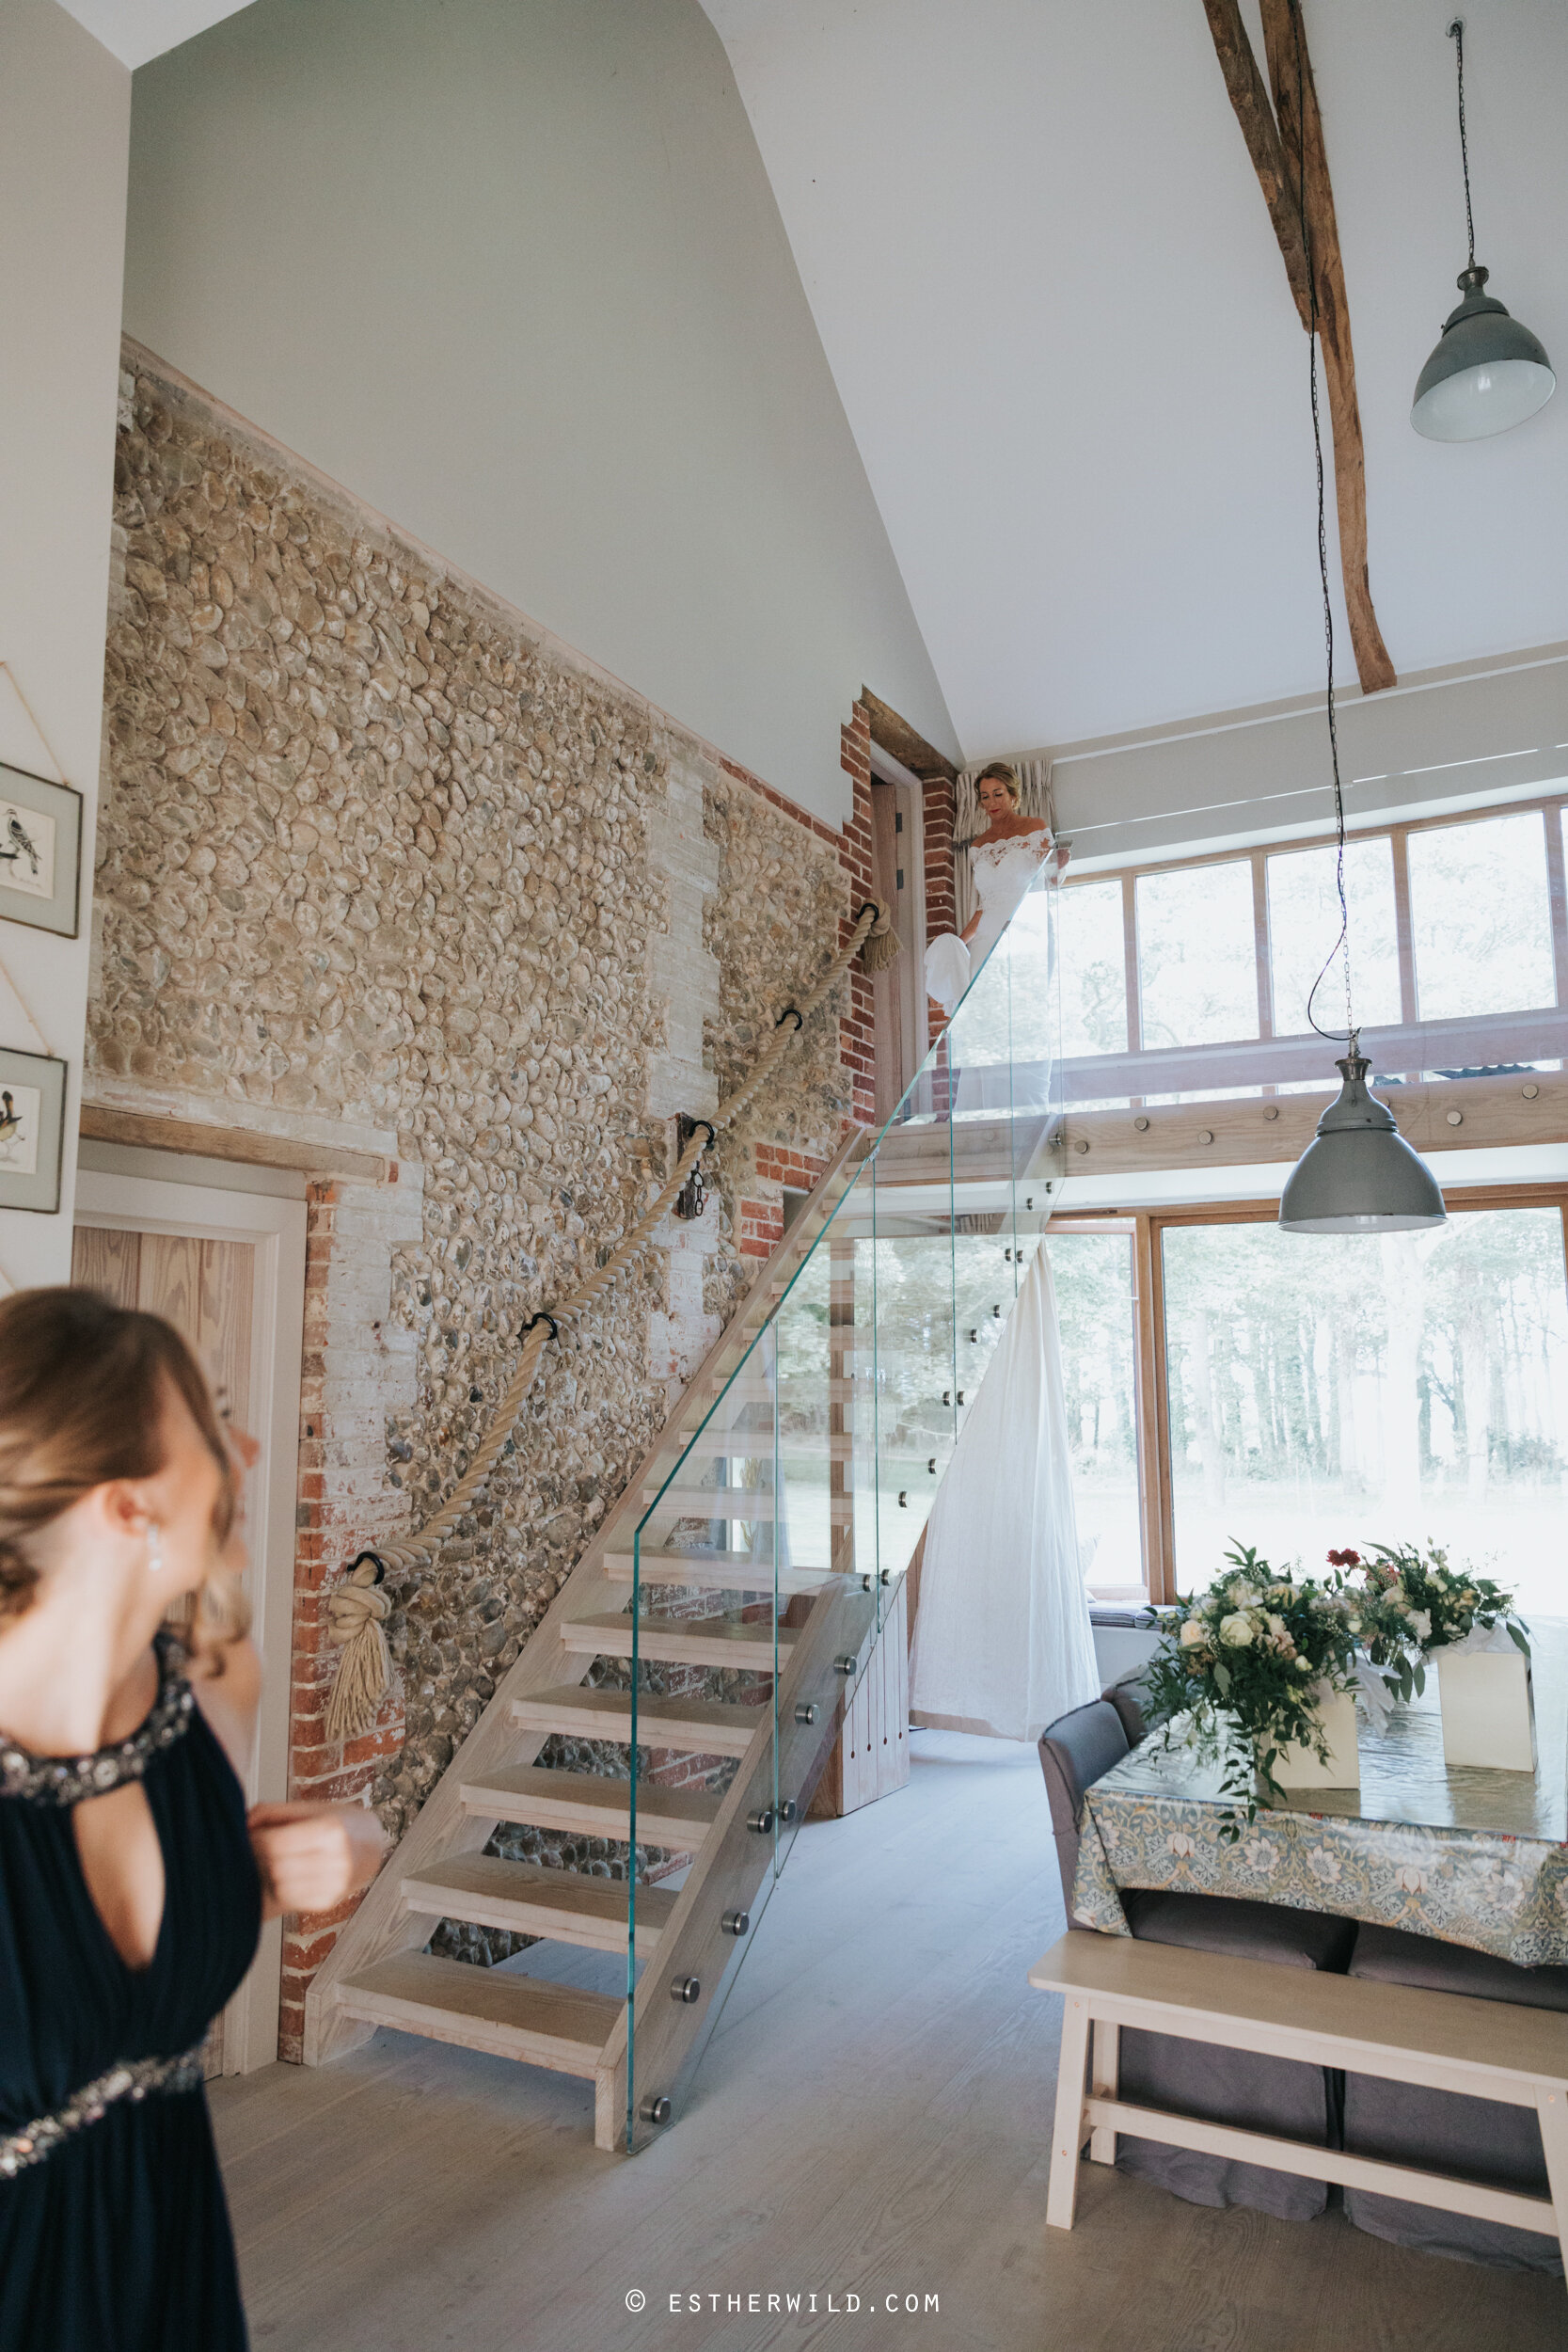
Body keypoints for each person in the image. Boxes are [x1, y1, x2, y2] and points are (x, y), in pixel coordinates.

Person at [0, 1287, 384, 2352]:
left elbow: (113, 1973)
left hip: (174, 2269)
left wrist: (329, 1852)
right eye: (214, 1424)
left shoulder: (216, 1687)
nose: (250, 1446)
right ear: (130, 1507)